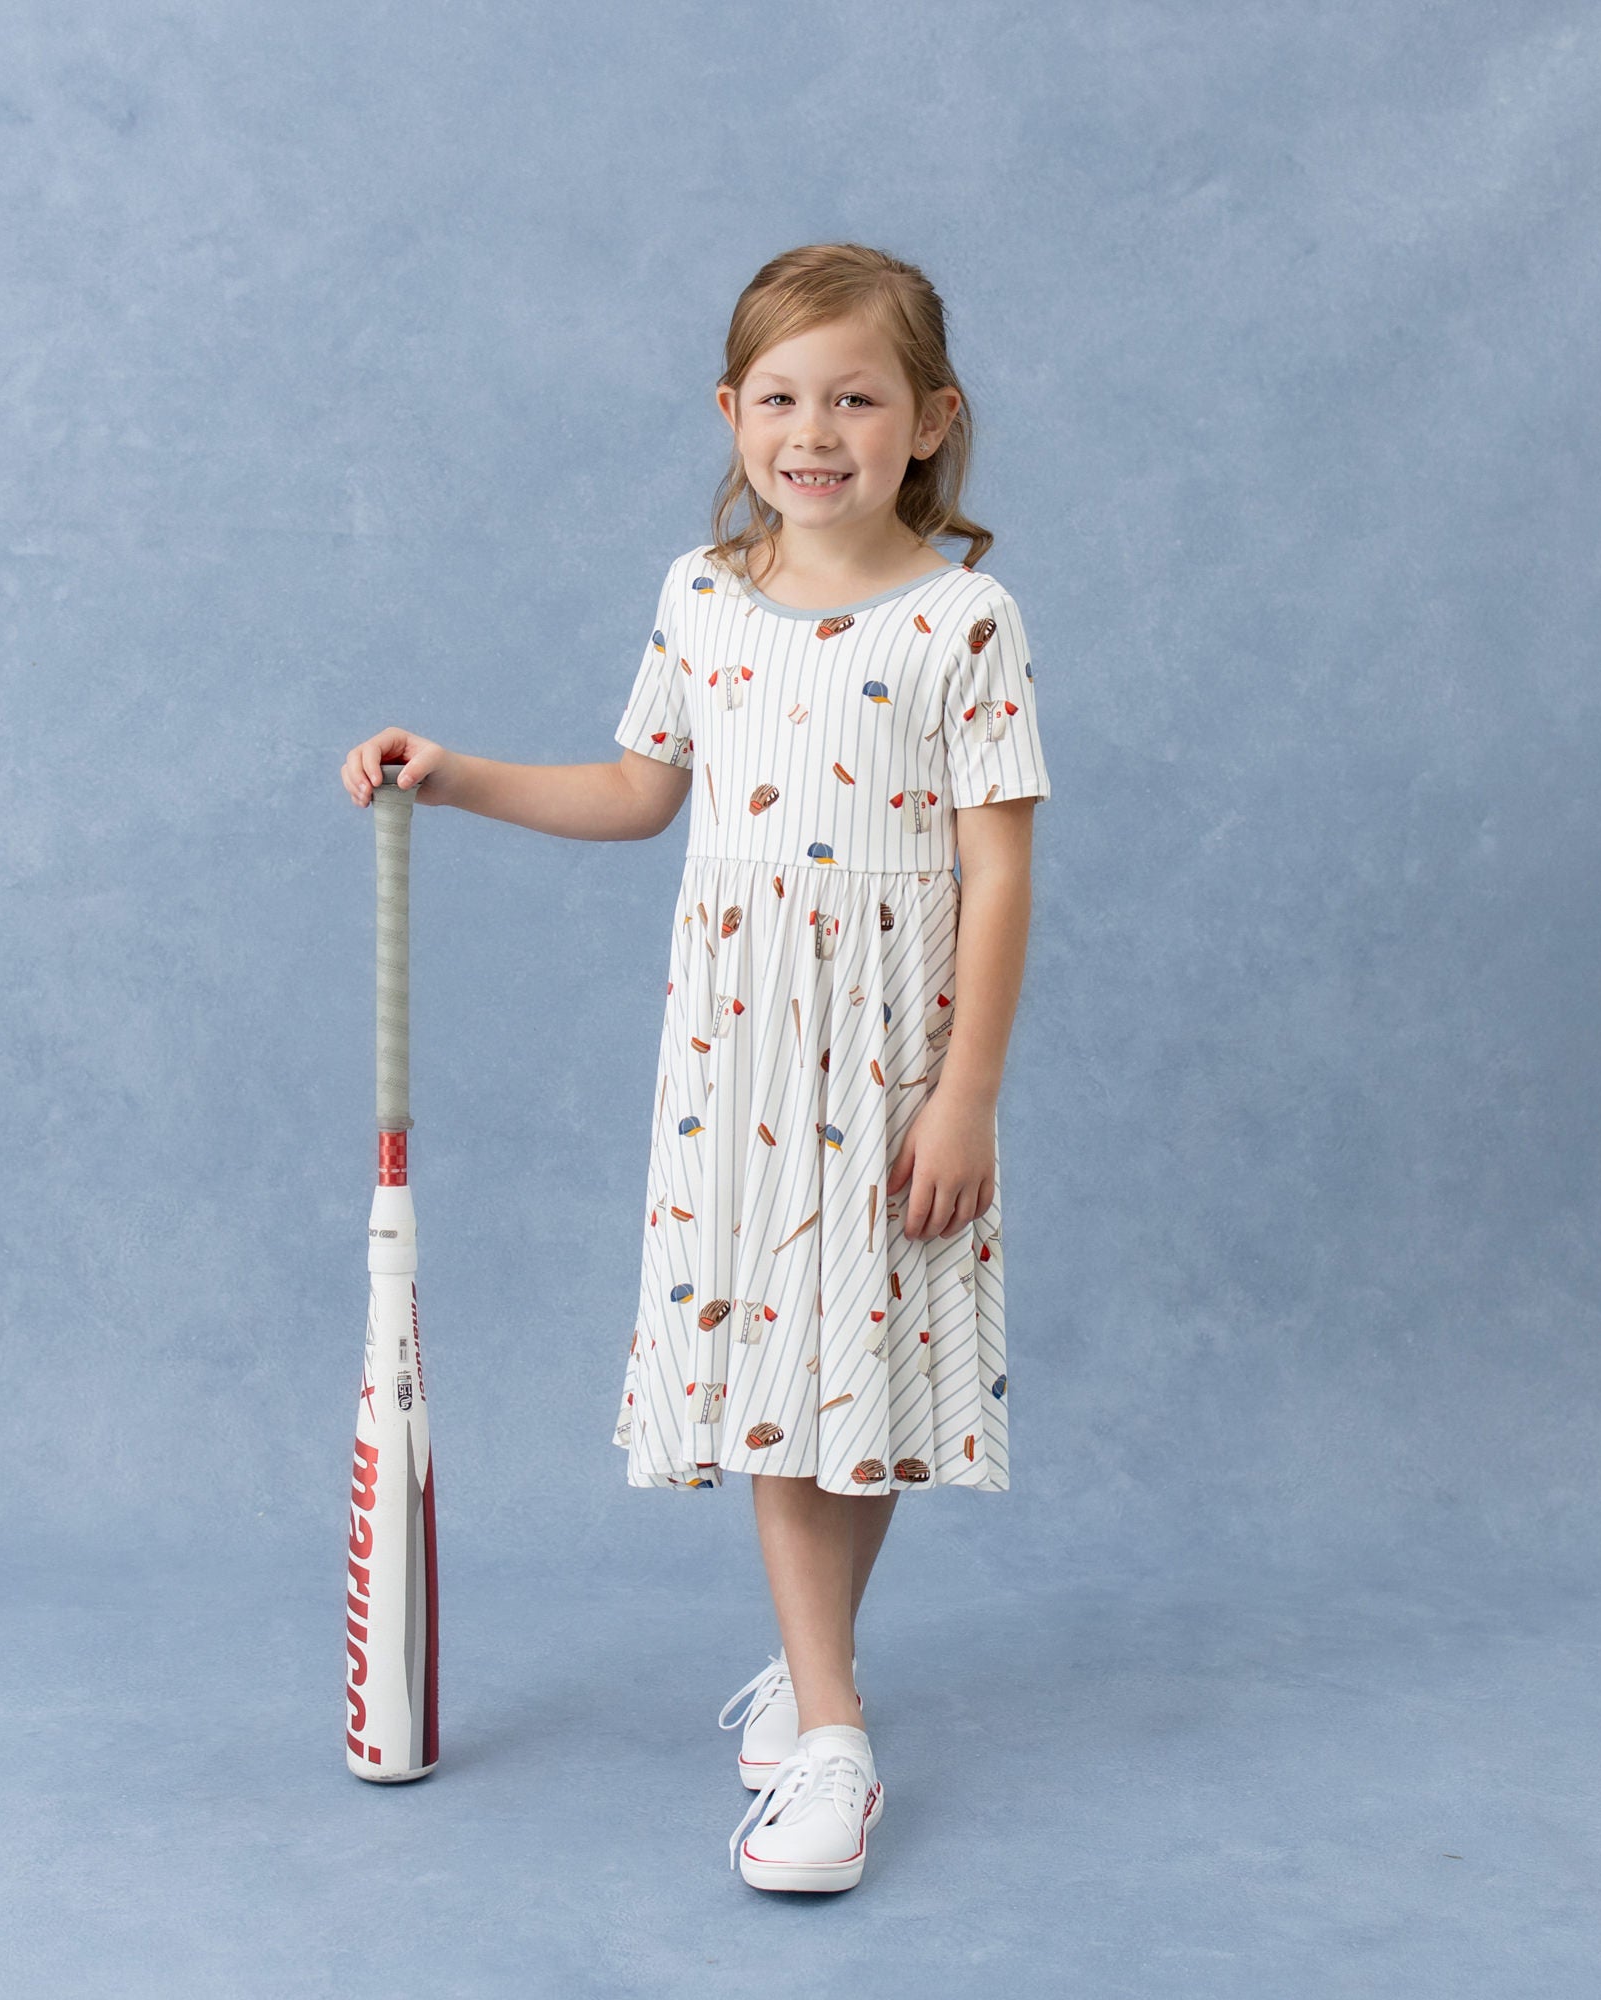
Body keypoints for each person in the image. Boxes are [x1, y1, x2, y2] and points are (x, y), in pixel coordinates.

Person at [338, 241, 1050, 1893]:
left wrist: (967, 1094)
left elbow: (1001, 869)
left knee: (861, 1387)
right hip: (744, 1060)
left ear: (932, 420)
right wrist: (453, 775)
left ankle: (817, 1690)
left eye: (856, 399)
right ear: (732, 413)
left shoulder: (966, 621)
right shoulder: (703, 597)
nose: (816, 432)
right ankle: (832, 1732)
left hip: (893, 1060)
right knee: (784, 1396)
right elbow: (636, 792)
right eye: (782, 398)